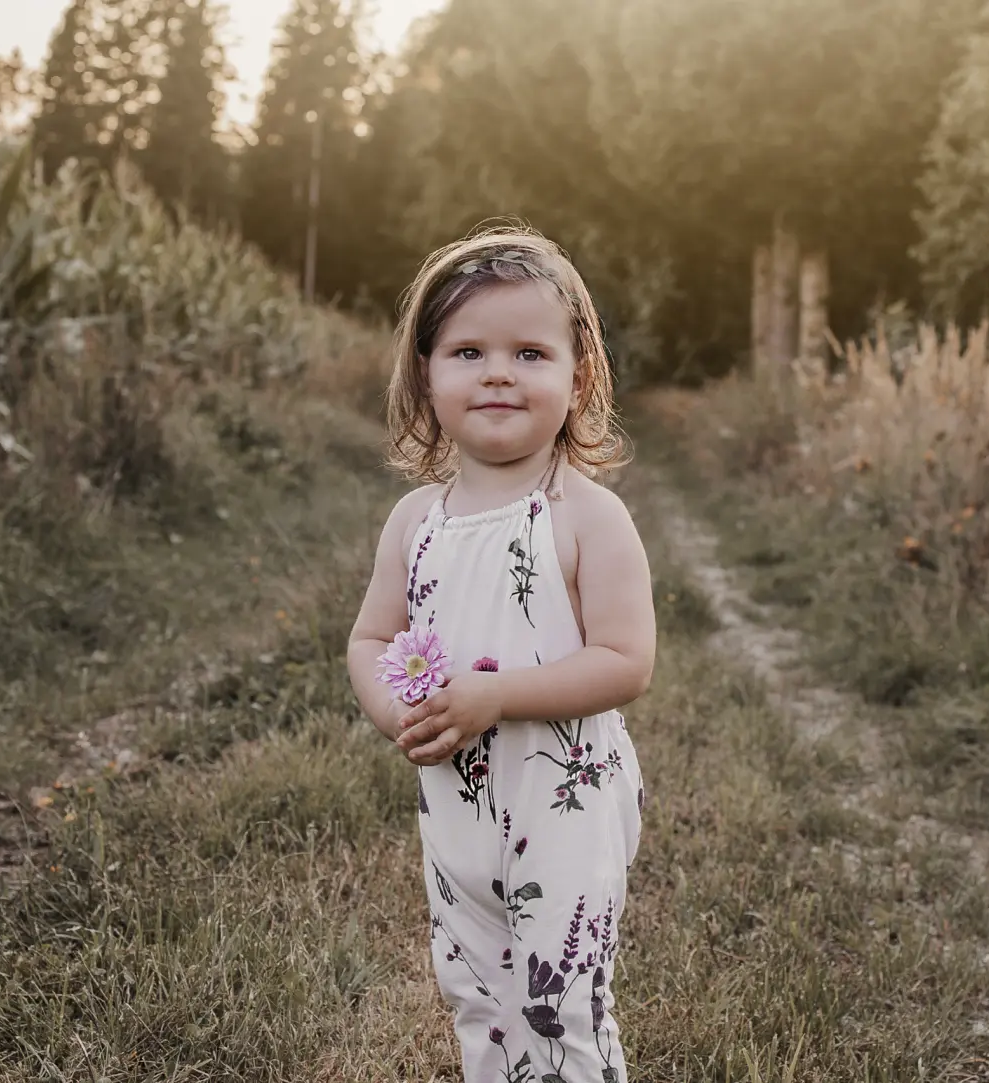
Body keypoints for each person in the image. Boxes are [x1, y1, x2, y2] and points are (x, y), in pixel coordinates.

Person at [347, 223, 656, 1082]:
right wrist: (391, 709)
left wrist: (497, 696)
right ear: (426, 375)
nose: (496, 372)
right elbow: (371, 637)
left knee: (557, 999)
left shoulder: (585, 515)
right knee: (476, 992)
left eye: (529, 352)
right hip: (455, 803)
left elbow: (627, 660)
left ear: (577, 375)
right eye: (467, 351)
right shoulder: (416, 521)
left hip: (566, 799)